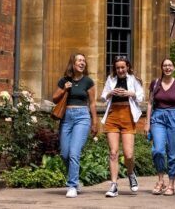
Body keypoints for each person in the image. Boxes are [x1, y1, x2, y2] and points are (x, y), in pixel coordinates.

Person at [53, 52, 99, 198]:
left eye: (83, 61)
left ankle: (72, 185)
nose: (82, 63)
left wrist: (95, 122)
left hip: (82, 117)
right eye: (79, 60)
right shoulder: (64, 80)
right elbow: (54, 98)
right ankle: (76, 177)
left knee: (74, 153)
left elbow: (92, 103)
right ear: (72, 63)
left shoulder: (88, 82)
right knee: (64, 154)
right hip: (66, 118)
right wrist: (65, 88)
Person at [100, 56, 146, 197]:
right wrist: (110, 93)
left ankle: (131, 173)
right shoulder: (111, 79)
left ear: (127, 67)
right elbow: (103, 96)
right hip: (113, 115)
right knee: (113, 152)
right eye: (117, 67)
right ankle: (114, 185)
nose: (120, 70)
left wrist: (130, 93)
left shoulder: (133, 79)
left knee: (128, 154)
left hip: (128, 116)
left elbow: (141, 96)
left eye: (122, 67)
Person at [145, 57, 175, 196]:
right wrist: (147, 122)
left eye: (170, 65)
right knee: (157, 150)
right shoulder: (155, 83)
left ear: (174, 68)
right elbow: (150, 103)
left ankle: (171, 184)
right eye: (165, 65)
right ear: (162, 68)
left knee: (173, 152)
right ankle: (160, 180)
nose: (168, 67)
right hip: (158, 117)